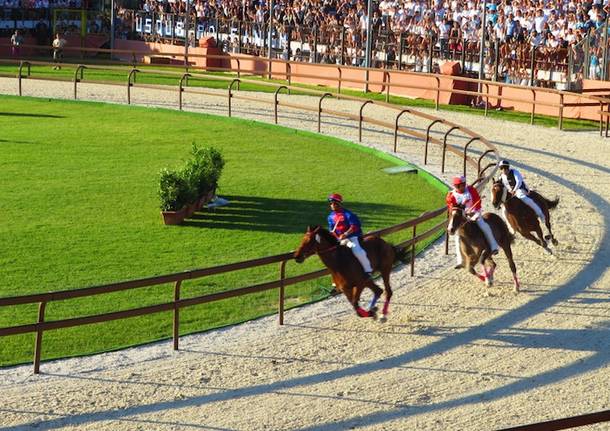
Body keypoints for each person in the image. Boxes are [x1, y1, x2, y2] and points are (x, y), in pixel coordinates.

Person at [446, 175, 499, 269]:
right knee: (458, 236)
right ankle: (460, 261)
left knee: (483, 225)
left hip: (474, 212)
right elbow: (452, 207)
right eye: (456, 186)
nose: (458, 188)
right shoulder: (451, 195)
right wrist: (462, 212)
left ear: (464, 184)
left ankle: (494, 246)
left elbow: (477, 203)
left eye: (460, 185)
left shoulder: (471, 190)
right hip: (461, 217)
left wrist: (472, 212)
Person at [498, 160, 552, 239]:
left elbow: (519, 182)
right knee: (504, 210)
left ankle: (540, 214)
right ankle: (510, 227)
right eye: (502, 168)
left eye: (505, 168)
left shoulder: (515, 172)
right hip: (511, 194)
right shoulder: (501, 177)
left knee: (522, 197)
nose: (504, 170)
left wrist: (514, 190)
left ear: (508, 168)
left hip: (520, 189)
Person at [327, 193, 373, 278]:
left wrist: (345, 234)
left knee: (357, 251)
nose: (332, 205)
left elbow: (355, 226)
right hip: (339, 240)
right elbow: (331, 229)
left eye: (334, 203)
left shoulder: (348, 214)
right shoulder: (330, 217)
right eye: (331, 203)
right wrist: (333, 235)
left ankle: (368, 271)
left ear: (339, 203)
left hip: (353, 237)